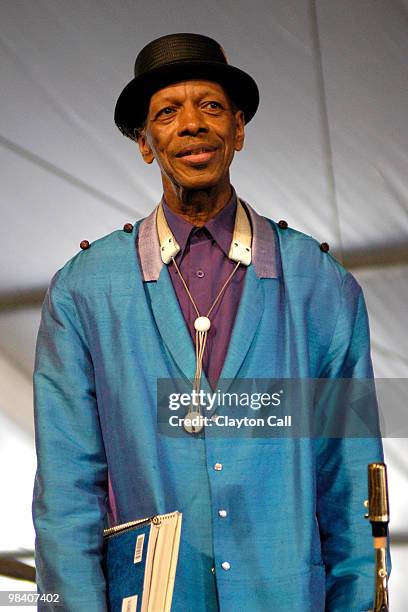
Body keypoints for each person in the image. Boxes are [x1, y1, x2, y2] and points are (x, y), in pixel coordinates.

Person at [32, 33, 385, 611]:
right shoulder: (84, 291)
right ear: (146, 144)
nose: (191, 124)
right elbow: (67, 497)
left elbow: (350, 485)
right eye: (167, 113)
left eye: (212, 107)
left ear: (239, 130)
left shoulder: (321, 286)